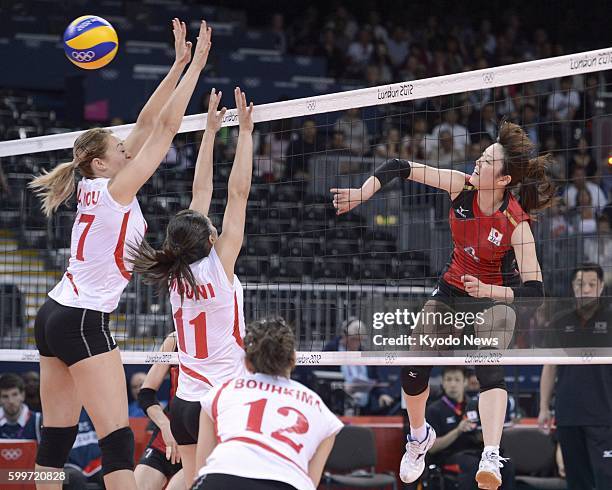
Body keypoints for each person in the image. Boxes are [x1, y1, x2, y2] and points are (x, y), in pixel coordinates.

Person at [28, 18, 212, 490]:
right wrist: (197, 69)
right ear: (102, 161)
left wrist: (176, 65)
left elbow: (147, 121)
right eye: (119, 148)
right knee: (116, 442)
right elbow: (167, 127)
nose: (128, 150)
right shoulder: (117, 188)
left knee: (55, 438)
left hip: (52, 314)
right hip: (83, 320)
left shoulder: (95, 181)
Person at [332, 120, 553, 489]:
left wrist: (488, 291)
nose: (476, 164)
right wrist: (361, 193)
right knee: (414, 362)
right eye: (480, 157)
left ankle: (491, 454)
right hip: (452, 289)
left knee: (488, 362)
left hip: (494, 296)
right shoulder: (460, 186)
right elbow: (400, 167)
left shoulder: (517, 224)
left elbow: (536, 292)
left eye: (486, 162)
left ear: (503, 181)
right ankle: (419, 437)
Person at [130, 86, 253, 486]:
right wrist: (246, 132)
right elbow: (237, 193)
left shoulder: (175, 272)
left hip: (184, 402)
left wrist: (210, 133)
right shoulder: (219, 268)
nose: (216, 226)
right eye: (213, 228)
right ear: (211, 241)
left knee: (190, 480)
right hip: (217, 401)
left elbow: (202, 195)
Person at [192, 317, 343, 490]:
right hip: (285, 482)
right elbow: (310, 482)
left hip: (222, 476)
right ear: (293, 360)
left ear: (247, 364)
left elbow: (200, 470)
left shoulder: (220, 392)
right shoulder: (320, 409)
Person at [539, 263, 612, 489]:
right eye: (581, 284)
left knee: (605, 480)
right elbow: (549, 366)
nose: (586, 289)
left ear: (601, 287)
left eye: (592, 284)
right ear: (573, 286)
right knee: (577, 482)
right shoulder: (559, 322)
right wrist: (543, 407)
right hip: (568, 415)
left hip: (605, 416)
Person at [426, 367, 515, 490]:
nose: (453, 384)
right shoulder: (434, 409)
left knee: (506, 465)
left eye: (457, 380)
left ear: (465, 382)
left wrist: (483, 435)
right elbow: (432, 448)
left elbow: (480, 437)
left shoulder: (477, 404)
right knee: (473, 465)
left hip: (475, 451)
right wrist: (458, 431)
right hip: (449, 456)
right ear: (443, 383)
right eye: (449, 380)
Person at [134, 332, 184, 490]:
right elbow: (146, 394)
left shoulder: (226, 341)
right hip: (168, 433)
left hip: (200, 438)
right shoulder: (175, 339)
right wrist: (165, 426)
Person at [0, 372, 42, 440]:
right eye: (5, 396)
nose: (11, 401)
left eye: (15, 395)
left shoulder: (39, 421)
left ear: (22, 395)